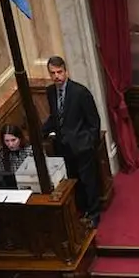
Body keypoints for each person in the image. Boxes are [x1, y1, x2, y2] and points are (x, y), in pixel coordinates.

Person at [42, 56, 102, 227]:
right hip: (63, 146)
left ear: (66, 71)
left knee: (88, 180)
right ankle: (82, 210)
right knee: (72, 180)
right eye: (52, 73)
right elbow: (55, 117)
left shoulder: (80, 92)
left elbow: (94, 121)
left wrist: (90, 143)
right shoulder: (50, 92)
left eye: (59, 72)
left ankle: (95, 213)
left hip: (82, 146)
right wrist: (41, 133)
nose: (56, 76)